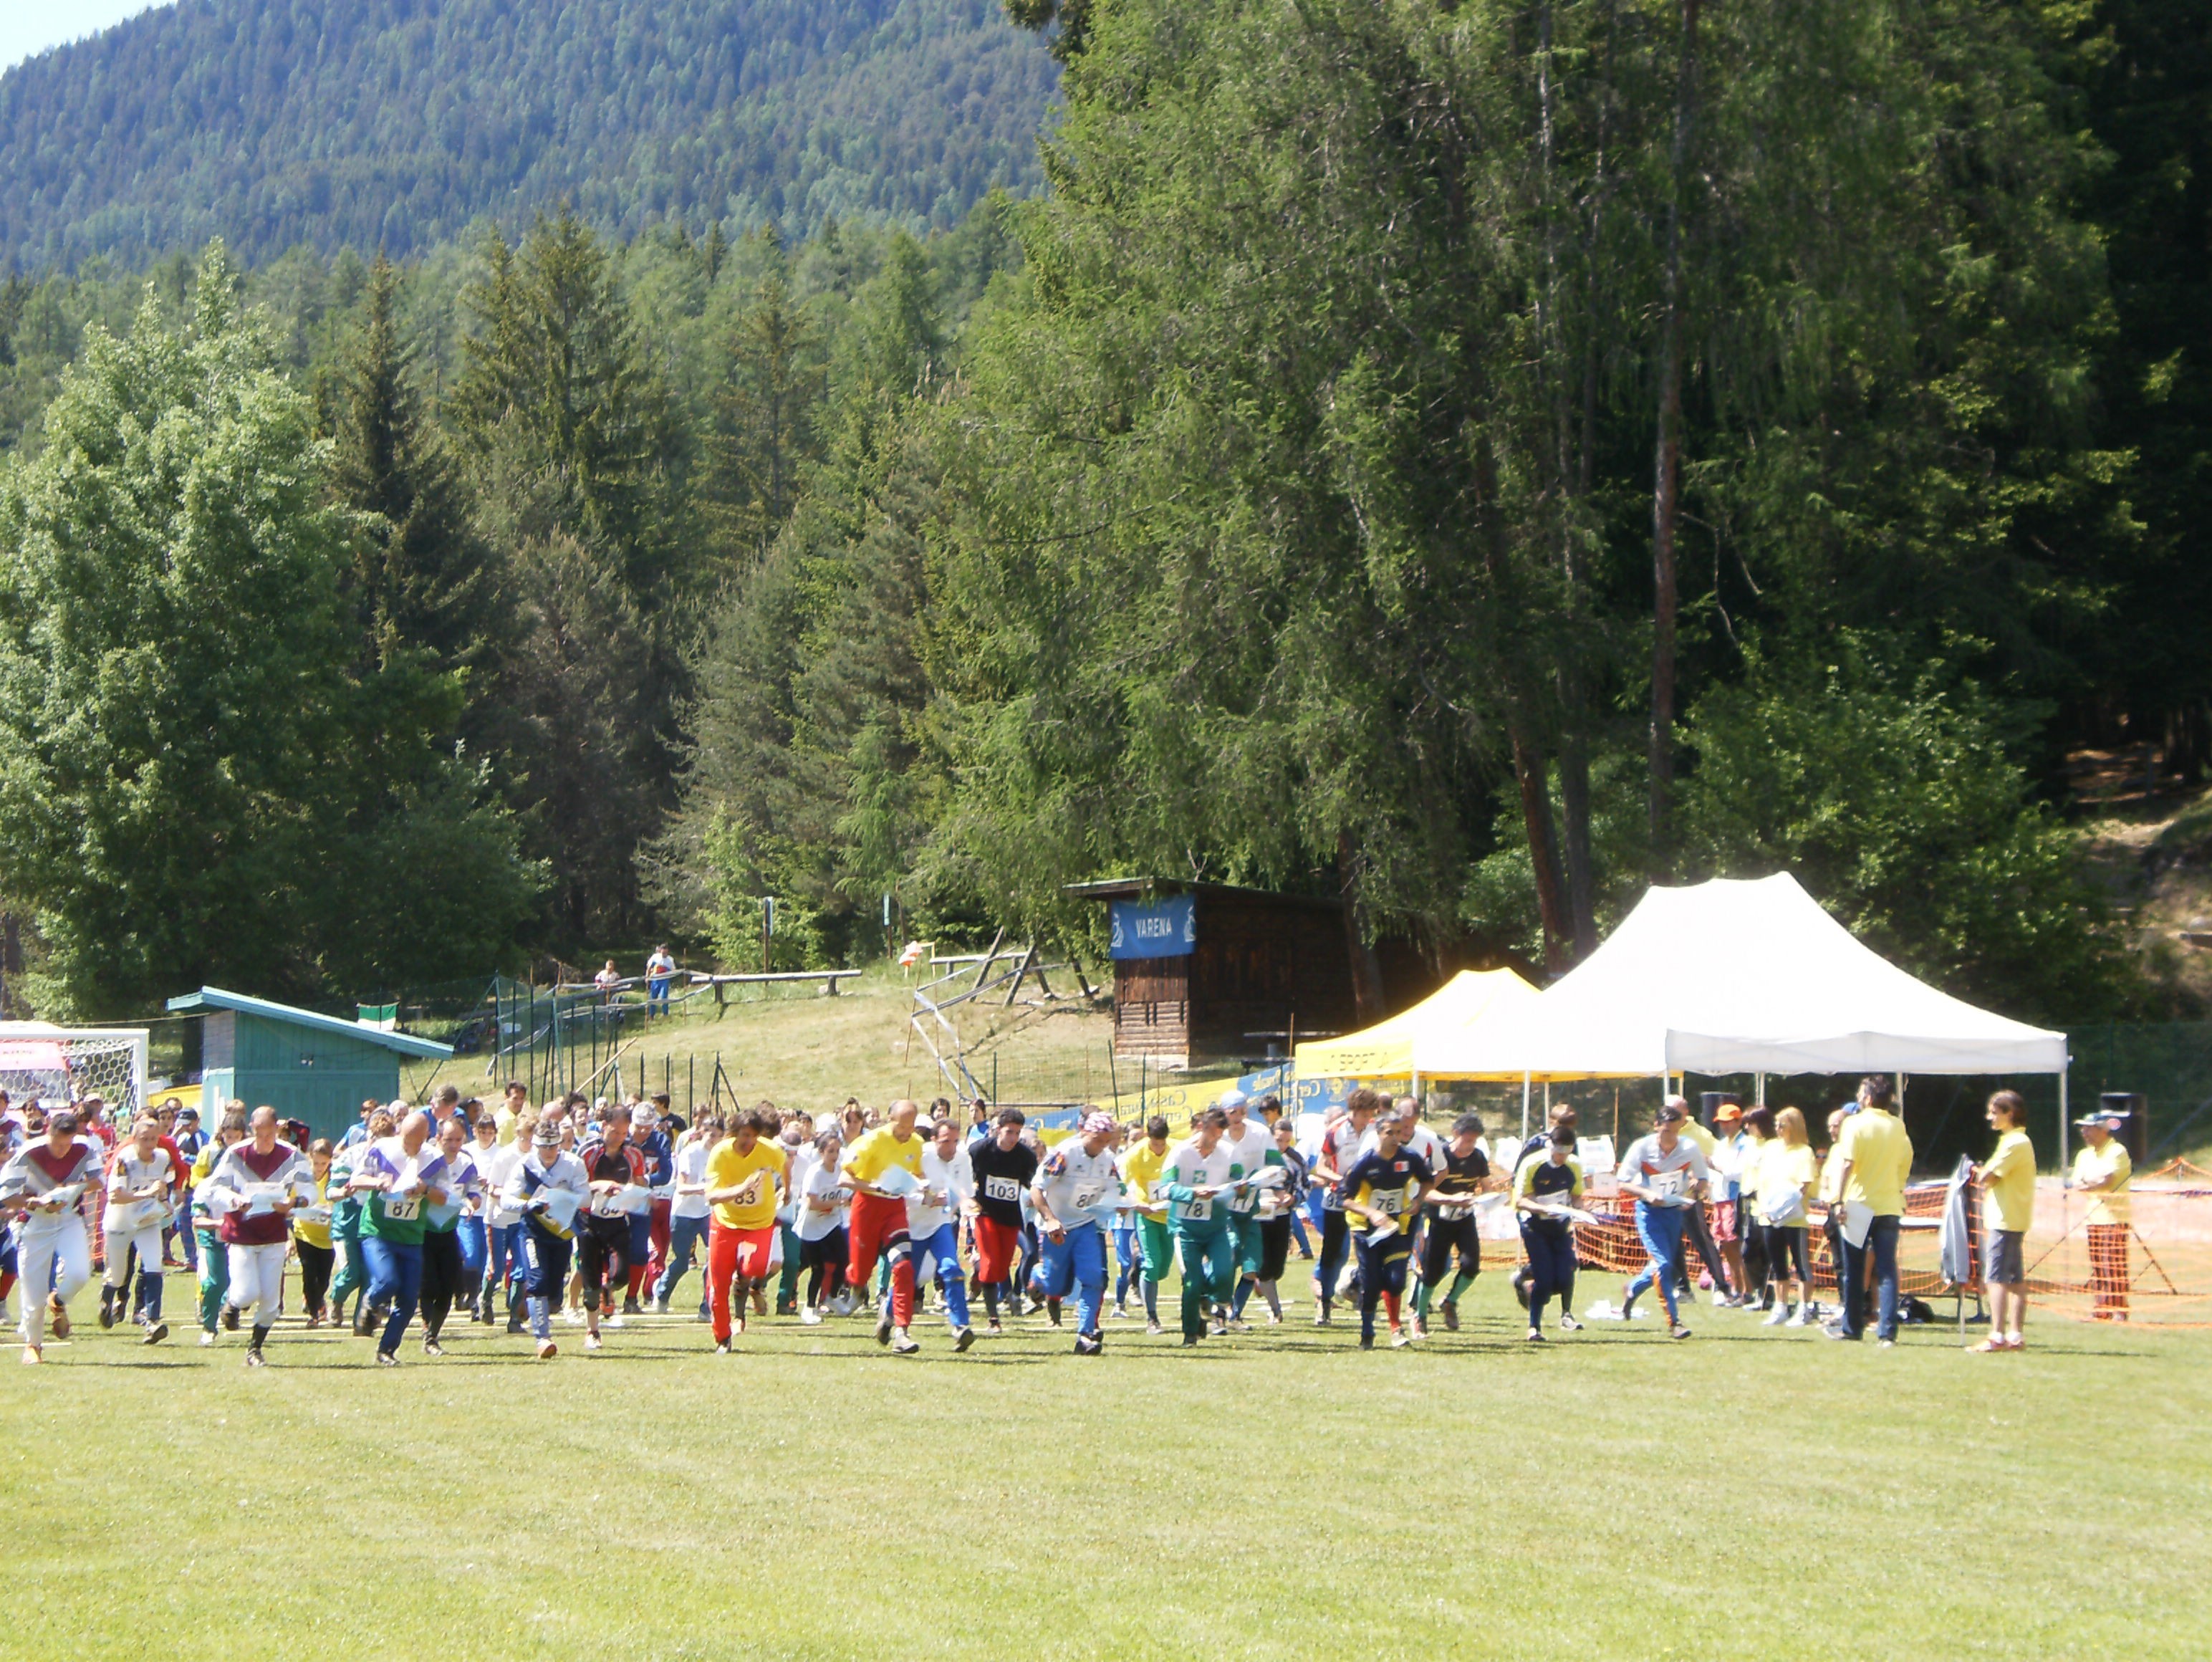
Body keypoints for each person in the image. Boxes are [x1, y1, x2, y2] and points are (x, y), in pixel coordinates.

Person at [203, 1106, 314, 1368]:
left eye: (269, 1134)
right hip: (241, 1233)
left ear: (277, 1129)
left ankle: (255, 1348)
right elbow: (214, 1189)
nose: (264, 1140)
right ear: (252, 1129)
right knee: (246, 1293)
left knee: (270, 1301)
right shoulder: (235, 1153)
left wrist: (294, 1202)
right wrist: (234, 1199)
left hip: (273, 1234)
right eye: (259, 1134)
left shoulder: (292, 1155)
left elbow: (311, 1191)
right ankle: (232, 1305)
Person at [1, 1110, 103, 1363]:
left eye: (67, 1144)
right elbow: (7, 1195)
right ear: (49, 1132)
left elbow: (98, 1182)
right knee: (33, 1290)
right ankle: (33, 1345)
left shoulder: (84, 1148)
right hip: (35, 1222)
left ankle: (58, 1301)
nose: (62, 1150)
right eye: (57, 1143)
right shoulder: (28, 1152)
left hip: (70, 1219)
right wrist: (36, 1202)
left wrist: (71, 1189)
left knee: (80, 1273)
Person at [1820, 1076, 1913, 1347]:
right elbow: (1905, 1161)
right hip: (1889, 1204)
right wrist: (1898, 1188)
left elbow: (1847, 1163)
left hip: (1859, 1203)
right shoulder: (1897, 1125)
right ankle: (1887, 1332)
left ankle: (1852, 1327)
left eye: (1861, 1093)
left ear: (1869, 1098)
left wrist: (1838, 1200)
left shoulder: (1855, 1124)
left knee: (1854, 1269)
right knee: (1886, 1270)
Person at [349, 1109, 447, 1366]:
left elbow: (443, 1197)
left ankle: (387, 1350)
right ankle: (370, 1302)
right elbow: (356, 1179)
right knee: (387, 1281)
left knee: (408, 1299)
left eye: (418, 1143)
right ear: (400, 1132)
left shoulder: (435, 1159)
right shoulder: (382, 1149)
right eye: (407, 1141)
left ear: (427, 1136)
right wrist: (378, 1183)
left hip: (411, 1237)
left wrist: (424, 1189)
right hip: (378, 1231)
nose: (412, 1148)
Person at [1616, 1099, 1708, 1340]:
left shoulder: (1689, 1148)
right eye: (1666, 1131)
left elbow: (1702, 1180)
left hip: (1674, 1213)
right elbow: (1622, 1181)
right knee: (1663, 1266)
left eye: (1675, 1132)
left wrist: (1692, 1194)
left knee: (1664, 1266)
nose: (1670, 1138)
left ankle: (1632, 1289)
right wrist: (1646, 1193)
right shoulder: (1641, 1147)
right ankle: (1674, 1322)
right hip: (1649, 1213)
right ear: (1656, 1126)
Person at [842, 1100, 928, 1354]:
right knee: (861, 1272)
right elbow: (844, 1178)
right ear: (890, 1120)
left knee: (903, 1267)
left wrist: (924, 1188)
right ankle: (857, 1287)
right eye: (902, 1127)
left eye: (911, 1127)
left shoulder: (916, 1144)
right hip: (867, 1207)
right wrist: (875, 1187)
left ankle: (901, 1331)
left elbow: (918, 1174)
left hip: (895, 1209)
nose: (906, 1133)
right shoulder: (870, 1141)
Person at [1032, 1111, 1121, 1355]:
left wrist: (1125, 1203)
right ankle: (1037, 1276)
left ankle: (1086, 1334)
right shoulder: (1065, 1154)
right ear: (1085, 1133)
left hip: (1085, 1224)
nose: (1101, 1146)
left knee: (1094, 1278)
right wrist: (1050, 1219)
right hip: (1058, 1227)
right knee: (1056, 1287)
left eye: (1106, 1141)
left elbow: (1117, 1189)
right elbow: (1037, 1188)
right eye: (1097, 1140)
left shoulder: (1108, 1160)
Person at [502, 1117, 589, 1360]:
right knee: (538, 1280)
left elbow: (586, 1197)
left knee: (553, 1291)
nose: (549, 1152)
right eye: (544, 1146)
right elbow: (506, 1199)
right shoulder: (524, 1165)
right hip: (533, 1232)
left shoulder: (573, 1164)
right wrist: (528, 1205)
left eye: (553, 1146)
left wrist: (563, 1198)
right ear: (535, 1145)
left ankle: (531, 1307)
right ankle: (542, 1338)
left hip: (561, 1232)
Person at [1155, 1107, 1240, 1346]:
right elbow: (1165, 1188)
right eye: (1213, 1133)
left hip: (1216, 1225)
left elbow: (1238, 1179)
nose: (1217, 1139)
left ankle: (1208, 1297)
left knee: (1224, 1272)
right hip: (1185, 1228)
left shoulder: (1228, 1152)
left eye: (1221, 1134)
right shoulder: (1180, 1152)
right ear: (1202, 1127)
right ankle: (1190, 1332)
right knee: (1191, 1282)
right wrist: (1192, 1193)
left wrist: (1240, 1188)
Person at [704, 1108, 787, 1353]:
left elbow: (785, 1165)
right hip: (726, 1223)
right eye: (744, 1135)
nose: (748, 1141)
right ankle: (723, 1338)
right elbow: (711, 1196)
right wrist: (742, 1188)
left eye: (753, 1136)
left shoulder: (769, 1150)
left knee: (758, 1268)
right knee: (718, 1286)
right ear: (734, 1133)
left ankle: (743, 1280)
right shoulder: (720, 1153)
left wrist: (787, 1189)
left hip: (759, 1222)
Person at [100, 1111, 182, 1344]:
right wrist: (147, 1194)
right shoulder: (125, 1159)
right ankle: (107, 1297)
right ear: (134, 1138)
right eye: (144, 1139)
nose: (149, 1144)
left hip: (147, 1220)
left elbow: (164, 1185)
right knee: (118, 1276)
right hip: (121, 1219)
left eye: (154, 1139)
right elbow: (115, 1197)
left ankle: (153, 1322)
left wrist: (165, 1203)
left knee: (154, 1266)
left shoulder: (163, 1157)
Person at [576, 1106, 650, 1353]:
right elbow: (577, 1186)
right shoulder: (588, 1152)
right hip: (589, 1221)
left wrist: (644, 1194)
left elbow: (640, 1181)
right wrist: (600, 1185)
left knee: (621, 1276)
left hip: (617, 1221)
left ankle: (608, 1291)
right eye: (614, 1132)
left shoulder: (633, 1153)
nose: (619, 1138)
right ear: (603, 1126)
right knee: (590, 1281)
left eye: (624, 1133)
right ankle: (592, 1331)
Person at [1409, 1113, 1489, 1337]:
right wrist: (1452, 1199)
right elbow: (1426, 1192)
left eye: (1474, 1141)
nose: (1470, 1146)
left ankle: (1450, 1301)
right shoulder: (1440, 1156)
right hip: (1439, 1221)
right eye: (1467, 1140)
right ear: (1456, 1134)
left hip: (1465, 1219)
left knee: (1471, 1266)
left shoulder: (1478, 1157)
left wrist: (1484, 1200)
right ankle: (1420, 1315)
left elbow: (1487, 1186)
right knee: (1432, 1273)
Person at [903, 1115, 977, 1351]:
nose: (951, 1148)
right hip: (913, 1227)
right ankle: (890, 1316)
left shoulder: (962, 1158)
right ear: (934, 1139)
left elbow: (965, 1191)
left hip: (941, 1224)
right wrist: (929, 1200)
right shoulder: (919, 1156)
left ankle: (960, 1326)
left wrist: (962, 1205)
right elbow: (901, 1190)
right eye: (946, 1141)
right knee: (909, 1278)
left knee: (952, 1269)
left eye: (955, 1141)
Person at [1309, 1089, 1382, 1325]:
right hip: (1338, 1197)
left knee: (1372, 1249)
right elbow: (1321, 1167)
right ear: (1354, 1111)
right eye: (1364, 1114)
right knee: (1333, 1254)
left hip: (1367, 1197)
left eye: (1370, 1114)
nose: (1367, 1119)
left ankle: (1364, 1298)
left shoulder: (1377, 1129)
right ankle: (1324, 1302)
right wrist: (1341, 1180)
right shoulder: (1336, 1131)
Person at [1971, 1090, 2035, 1353]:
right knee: (2015, 1279)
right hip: (2013, 1218)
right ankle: (2015, 1335)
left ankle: (1997, 1335)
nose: (1990, 1118)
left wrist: (1981, 1172)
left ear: (2010, 1113)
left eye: (1994, 1113)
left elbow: (1988, 1176)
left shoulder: (2014, 1142)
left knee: (1995, 1278)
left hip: (2005, 1219)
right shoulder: (2015, 1140)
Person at [966, 1108, 1039, 1332]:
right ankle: (993, 1319)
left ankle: (1002, 1292)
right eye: (1009, 1132)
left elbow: (1033, 1183)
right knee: (990, 1263)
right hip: (984, 1214)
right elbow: (963, 1175)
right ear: (998, 1130)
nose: (1013, 1138)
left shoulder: (1025, 1156)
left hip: (1010, 1216)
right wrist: (968, 1197)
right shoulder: (979, 1150)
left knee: (1002, 1265)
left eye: (1017, 1133)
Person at [418, 1116, 481, 1356]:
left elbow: (473, 1192)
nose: (454, 1145)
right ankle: (427, 1331)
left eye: (458, 1140)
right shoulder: (428, 1160)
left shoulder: (466, 1163)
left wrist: (474, 1202)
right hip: (425, 1229)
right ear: (438, 1139)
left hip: (449, 1228)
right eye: (448, 1140)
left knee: (448, 1285)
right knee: (429, 1284)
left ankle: (433, 1336)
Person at [1749, 1108, 1817, 1327]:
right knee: (1778, 1264)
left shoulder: (1804, 1152)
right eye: (1777, 1124)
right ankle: (1780, 1306)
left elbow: (1805, 1183)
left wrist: (1785, 1206)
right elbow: (1761, 1178)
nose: (1778, 1129)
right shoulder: (1771, 1148)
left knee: (1801, 1264)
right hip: (1770, 1215)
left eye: (1783, 1125)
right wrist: (1767, 1207)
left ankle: (1804, 1307)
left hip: (1793, 1217)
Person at [1216, 1092, 1274, 1333]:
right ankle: (1218, 1312)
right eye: (1233, 1112)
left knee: (1251, 1266)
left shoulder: (1260, 1133)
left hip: (1251, 1207)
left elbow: (1275, 1163)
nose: (1238, 1116)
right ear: (1224, 1113)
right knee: (1227, 1258)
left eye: (1242, 1110)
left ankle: (1235, 1314)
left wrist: (1267, 1182)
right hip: (1224, 1208)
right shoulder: (1218, 1136)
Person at [1242, 1115, 1308, 1325]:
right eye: (1279, 1140)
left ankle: (1262, 1282)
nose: (1282, 1145)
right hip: (1256, 1217)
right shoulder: (1256, 1156)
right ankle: (1274, 1310)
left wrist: (1294, 1199)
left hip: (1281, 1217)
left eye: (1287, 1141)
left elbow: (1304, 1186)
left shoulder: (1295, 1160)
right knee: (1260, 1265)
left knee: (1277, 1268)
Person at [2070, 1109, 2134, 1320]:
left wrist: (2090, 1183)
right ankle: (2101, 1308)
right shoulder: (2084, 1155)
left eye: (2089, 1129)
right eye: (2083, 1129)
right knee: (2098, 1266)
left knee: (2113, 1266)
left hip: (2115, 1218)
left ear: (2102, 1130)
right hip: (2093, 1218)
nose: (2084, 1133)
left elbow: (2107, 1181)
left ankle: (2119, 1310)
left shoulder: (2117, 1151)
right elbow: (2076, 1183)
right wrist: (2093, 1183)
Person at [654, 1114, 717, 1317]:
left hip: (708, 1213)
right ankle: (662, 1293)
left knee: (714, 1261)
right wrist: (705, 1188)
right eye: (711, 1135)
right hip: (684, 1214)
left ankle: (707, 1307)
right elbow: (682, 1187)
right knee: (682, 1263)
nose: (715, 1140)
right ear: (702, 1133)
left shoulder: (720, 1155)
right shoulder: (690, 1153)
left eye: (719, 1136)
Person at [1117, 1115, 1174, 1335]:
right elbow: (1122, 1183)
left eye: (1162, 1143)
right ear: (1148, 1137)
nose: (1159, 1148)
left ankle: (1139, 1268)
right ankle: (1152, 1318)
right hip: (1147, 1215)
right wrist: (1132, 1202)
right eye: (1155, 1143)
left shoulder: (1176, 1150)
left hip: (1170, 1216)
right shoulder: (1134, 1155)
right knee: (1152, 1264)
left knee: (1162, 1270)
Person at [795, 1128, 850, 1322]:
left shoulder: (841, 1170)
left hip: (831, 1223)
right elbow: (812, 1203)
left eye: (837, 1151)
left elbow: (849, 1190)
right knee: (817, 1269)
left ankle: (832, 1297)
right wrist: (838, 1203)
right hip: (811, 1227)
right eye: (830, 1151)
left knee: (844, 1258)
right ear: (821, 1152)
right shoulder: (815, 1173)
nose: (834, 1155)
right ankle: (809, 1308)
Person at [1703, 1102, 1754, 1307]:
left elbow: (1739, 1172)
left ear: (1738, 1122)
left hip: (1735, 1199)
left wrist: (1714, 1164)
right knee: (1726, 1246)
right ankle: (1735, 1288)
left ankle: (1747, 1291)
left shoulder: (1746, 1144)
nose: (1725, 1126)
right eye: (1722, 1122)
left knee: (1736, 1245)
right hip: (1720, 1199)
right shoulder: (1722, 1144)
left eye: (1729, 1122)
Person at [291, 1138, 337, 1327]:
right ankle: (314, 1314)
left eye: (323, 1164)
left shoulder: (334, 1178)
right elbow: (291, 1201)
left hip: (327, 1236)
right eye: (315, 1163)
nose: (319, 1168)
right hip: (304, 1232)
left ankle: (318, 1300)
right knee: (309, 1274)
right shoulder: (301, 1177)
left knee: (323, 1278)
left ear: (330, 1161)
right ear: (309, 1159)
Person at [646, 945, 676, 1017]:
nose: (664, 955)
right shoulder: (655, 957)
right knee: (653, 997)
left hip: (665, 980)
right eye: (663, 953)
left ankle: (665, 1014)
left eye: (666, 953)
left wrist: (671, 973)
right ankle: (652, 1015)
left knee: (664, 996)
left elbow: (674, 970)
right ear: (660, 951)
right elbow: (649, 967)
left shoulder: (670, 960)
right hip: (655, 979)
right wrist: (647, 977)